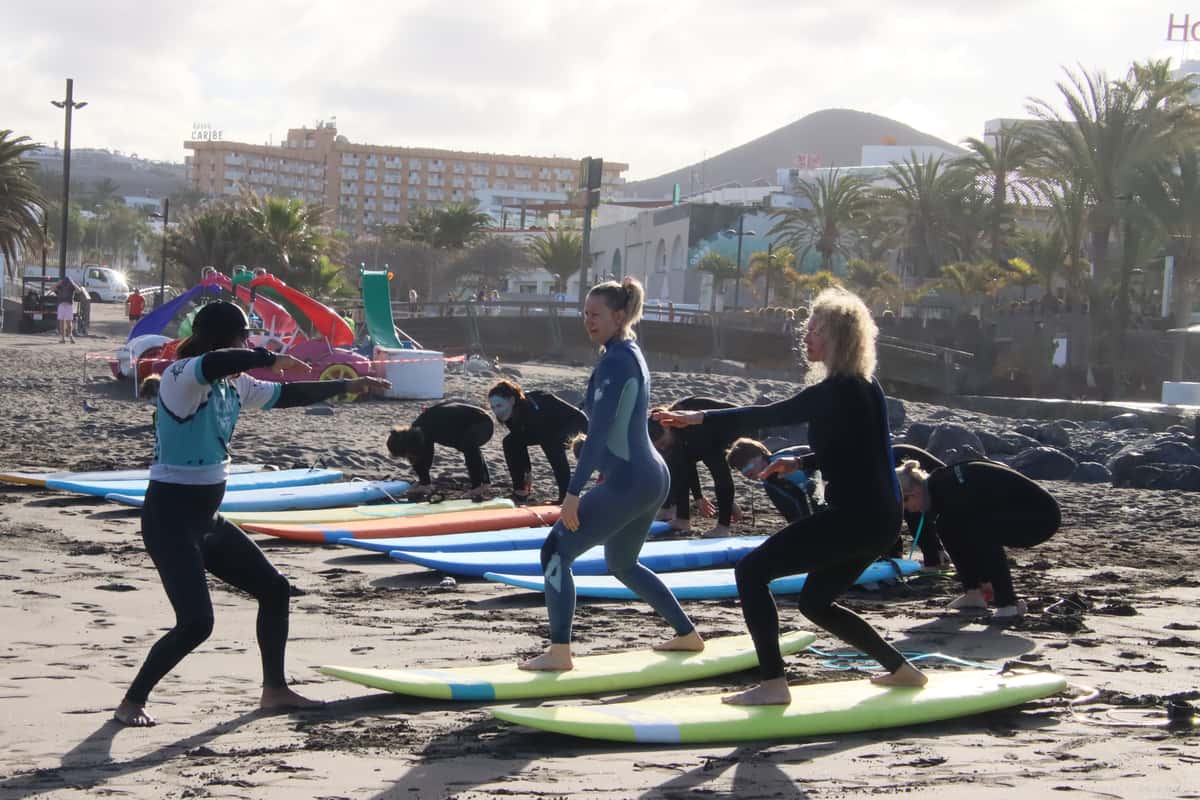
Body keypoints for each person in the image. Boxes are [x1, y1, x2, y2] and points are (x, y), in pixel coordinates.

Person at [114, 301, 390, 727]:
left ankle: (274, 691)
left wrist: (346, 388)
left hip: (207, 520)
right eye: (247, 338)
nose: (251, 344)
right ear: (230, 338)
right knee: (196, 623)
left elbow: (287, 395)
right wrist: (269, 357)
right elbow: (220, 360)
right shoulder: (181, 375)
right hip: (169, 519)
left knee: (275, 590)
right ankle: (132, 701)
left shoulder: (234, 385)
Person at [656, 287, 927, 704]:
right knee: (816, 603)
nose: (806, 338)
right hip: (878, 519)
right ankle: (902, 669)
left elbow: (769, 414)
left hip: (855, 518)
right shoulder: (864, 386)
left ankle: (772, 684)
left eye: (815, 330)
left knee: (751, 572)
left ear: (838, 338)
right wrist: (801, 463)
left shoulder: (837, 389)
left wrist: (700, 417)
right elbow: (858, 449)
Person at [521, 277, 702, 671]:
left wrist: (573, 492)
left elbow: (600, 433)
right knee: (622, 563)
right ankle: (687, 635)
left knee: (554, 552)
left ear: (619, 315)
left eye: (596, 314)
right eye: (585, 314)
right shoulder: (629, 352)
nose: (589, 321)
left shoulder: (615, 361)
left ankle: (559, 652)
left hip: (630, 480)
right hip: (650, 476)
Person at [896, 458, 1061, 619]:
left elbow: (978, 540)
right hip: (1016, 511)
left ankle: (1007, 604)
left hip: (1042, 517)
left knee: (981, 530)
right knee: (947, 525)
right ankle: (973, 593)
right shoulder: (938, 485)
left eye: (905, 505)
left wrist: (987, 579)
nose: (909, 511)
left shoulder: (948, 488)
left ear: (913, 493)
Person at [648, 396, 742, 537]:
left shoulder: (695, 429)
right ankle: (682, 519)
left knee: (718, 471)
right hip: (711, 434)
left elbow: (720, 473)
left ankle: (723, 527)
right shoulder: (677, 431)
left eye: (662, 443)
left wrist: (728, 503)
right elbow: (686, 464)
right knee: (673, 459)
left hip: (743, 427)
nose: (662, 448)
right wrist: (698, 496)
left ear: (666, 426)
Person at [487, 379, 587, 504]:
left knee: (551, 447)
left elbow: (557, 460)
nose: (497, 411)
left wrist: (564, 498)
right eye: (493, 407)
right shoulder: (509, 413)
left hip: (574, 424)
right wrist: (527, 473)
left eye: (499, 405)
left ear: (511, 400)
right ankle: (521, 492)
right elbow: (519, 443)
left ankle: (564, 497)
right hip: (549, 425)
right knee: (510, 442)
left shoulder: (533, 413)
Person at [386, 401, 494, 499]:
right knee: (468, 445)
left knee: (468, 446)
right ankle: (484, 483)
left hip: (482, 424)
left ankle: (478, 487)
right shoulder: (418, 430)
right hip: (474, 422)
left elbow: (424, 455)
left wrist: (424, 483)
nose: (406, 457)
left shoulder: (424, 430)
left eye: (404, 454)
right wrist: (424, 482)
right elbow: (422, 455)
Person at [726, 438, 817, 523]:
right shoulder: (769, 479)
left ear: (759, 455)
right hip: (810, 481)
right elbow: (791, 503)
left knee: (812, 488)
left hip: (822, 471)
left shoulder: (778, 462)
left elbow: (800, 496)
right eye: (741, 469)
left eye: (747, 466)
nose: (745, 472)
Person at [888, 444, 948, 568]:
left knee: (914, 510)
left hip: (903, 465)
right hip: (900, 465)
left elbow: (919, 516)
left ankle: (935, 558)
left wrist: (935, 551)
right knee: (907, 510)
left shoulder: (942, 483)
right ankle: (894, 556)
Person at [54, 274, 81, 343]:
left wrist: (72, 282)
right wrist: (58, 283)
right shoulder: (60, 285)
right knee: (61, 322)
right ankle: (62, 338)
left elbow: (79, 290)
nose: (66, 284)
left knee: (69, 322)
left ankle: (70, 337)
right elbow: (52, 289)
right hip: (61, 305)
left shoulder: (71, 286)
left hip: (69, 305)